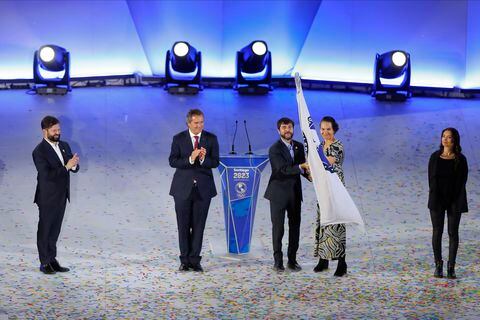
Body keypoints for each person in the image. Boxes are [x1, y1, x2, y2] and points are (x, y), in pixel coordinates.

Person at [169, 109, 219, 272]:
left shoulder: (211, 138)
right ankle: (184, 260)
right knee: (183, 226)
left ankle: (195, 260)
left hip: (203, 190)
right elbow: (173, 161)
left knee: (199, 226)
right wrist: (191, 158)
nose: (200, 125)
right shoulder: (179, 139)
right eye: (196, 123)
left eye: (202, 122)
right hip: (182, 189)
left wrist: (203, 158)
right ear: (189, 123)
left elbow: (216, 162)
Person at [32, 116, 79, 274]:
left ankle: (52, 259)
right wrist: (67, 167)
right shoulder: (39, 152)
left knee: (55, 229)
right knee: (45, 230)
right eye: (54, 130)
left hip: (61, 195)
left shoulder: (64, 145)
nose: (58, 133)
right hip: (47, 197)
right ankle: (44, 262)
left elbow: (72, 166)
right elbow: (46, 175)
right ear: (44, 131)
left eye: (59, 129)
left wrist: (73, 166)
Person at [264, 117, 309, 273]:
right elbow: (281, 170)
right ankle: (278, 261)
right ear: (279, 130)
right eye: (284, 127)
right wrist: (301, 167)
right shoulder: (274, 149)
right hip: (278, 194)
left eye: (289, 127)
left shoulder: (298, 146)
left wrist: (311, 175)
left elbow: (303, 168)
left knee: (295, 227)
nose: (287, 130)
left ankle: (292, 260)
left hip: (295, 194)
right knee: (278, 228)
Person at [428, 127, 468, 279]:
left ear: (455, 140)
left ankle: (451, 267)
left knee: (453, 233)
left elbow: (462, 181)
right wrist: (437, 196)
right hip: (437, 200)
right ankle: (438, 265)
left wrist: (453, 198)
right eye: (443, 136)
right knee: (437, 232)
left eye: (449, 137)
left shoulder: (461, 159)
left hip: (455, 200)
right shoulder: (434, 157)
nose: (445, 139)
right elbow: (431, 180)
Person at [313, 116, 348, 277]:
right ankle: (323, 259)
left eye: (328, 129)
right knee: (323, 222)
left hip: (335, 190)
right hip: (323, 190)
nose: (325, 132)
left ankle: (342, 262)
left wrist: (311, 161)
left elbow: (328, 162)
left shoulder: (337, 145)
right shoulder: (320, 145)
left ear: (334, 129)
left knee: (337, 225)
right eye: (322, 129)